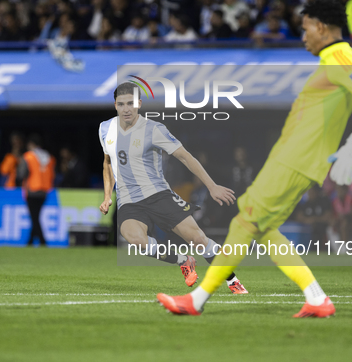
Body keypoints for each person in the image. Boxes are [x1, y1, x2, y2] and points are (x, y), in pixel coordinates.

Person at [157, 0, 352, 317]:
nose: (303, 36)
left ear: (321, 27)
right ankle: (315, 298)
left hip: (295, 160)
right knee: (260, 224)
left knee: (246, 221)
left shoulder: (338, 57)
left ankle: (197, 299)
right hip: (296, 160)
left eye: (305, 28)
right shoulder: (340, 58)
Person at [99, 83, 247, 293]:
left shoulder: (153, 129)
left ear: (139, 104)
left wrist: (212, 186)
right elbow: (107, 163)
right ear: (115, 105)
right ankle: (183, 261)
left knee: (198, 239)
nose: (126, 109)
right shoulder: (105, 129)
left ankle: (232, 280)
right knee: (136, 240)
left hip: (158, 195)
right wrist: (107, 196)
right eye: (121, 104)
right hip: (129, 201)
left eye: (131, 103)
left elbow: (185, 157)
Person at [21, 134, 55, 246]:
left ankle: (42, 241)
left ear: (31, 144)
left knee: (34, 217)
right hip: (45, 190)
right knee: (35, 216)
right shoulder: (48, 156)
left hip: (32, 189)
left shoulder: (29, 156)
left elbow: (22, 173)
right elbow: (52, 174)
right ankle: (30, 241)